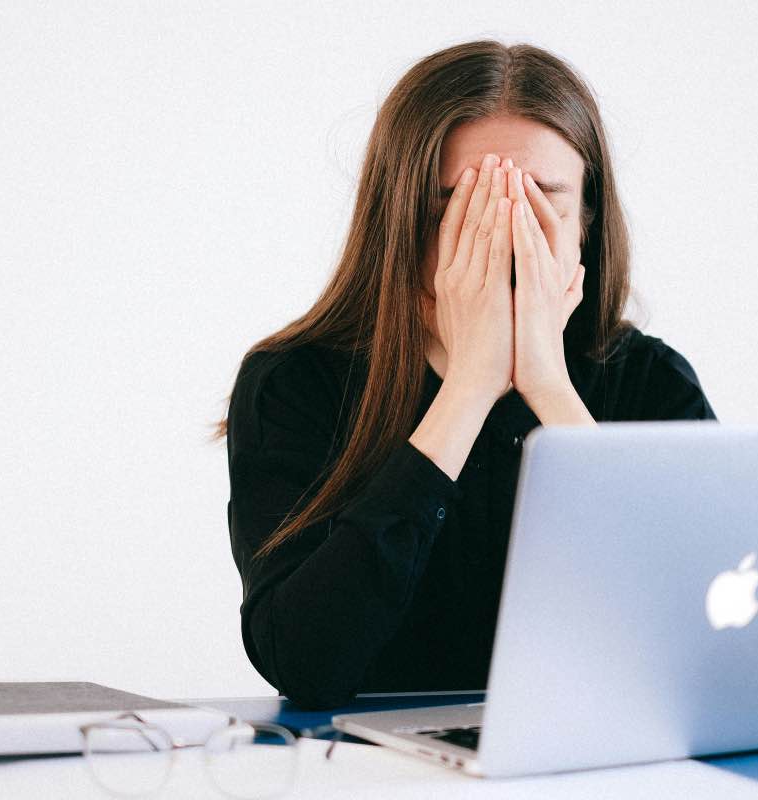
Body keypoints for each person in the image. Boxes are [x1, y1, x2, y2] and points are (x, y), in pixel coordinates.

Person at [210, 40, 717, 710]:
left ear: (587, 222)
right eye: (462, 206)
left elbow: (702, 636)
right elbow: (305, 663)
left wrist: (548, 386)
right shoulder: (293, 383)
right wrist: (469, 389)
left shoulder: (650, 381)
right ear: (400, 220)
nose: (501, 236)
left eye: (540, 203)